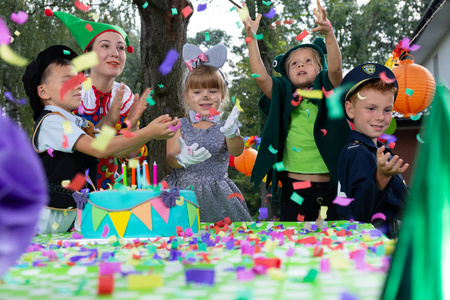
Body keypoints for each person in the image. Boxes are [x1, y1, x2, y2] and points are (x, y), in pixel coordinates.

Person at [23, 45, 179, 234]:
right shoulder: (51, 122)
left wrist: (130, 125)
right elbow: (100, 149)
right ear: (44, 92)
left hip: (70, 218)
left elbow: (115, 149)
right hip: (45, 221)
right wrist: (148, 133)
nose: (79, 84)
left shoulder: (74, 122)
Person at [240, 1, 349, 221]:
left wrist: (328, 32)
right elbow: (261, 77)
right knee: (295, 241)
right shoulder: (283, 92)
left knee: (333, 240)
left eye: (308, 61)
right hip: (295, 188)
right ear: (287, 74)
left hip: (329, 187)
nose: (301, 65)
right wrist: (251, 39)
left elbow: (336, 69)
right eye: (294, 64)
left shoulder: (328, 88)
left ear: (320, 69)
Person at [47, 10, 148, 189]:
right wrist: (109, 120)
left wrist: (133, 129)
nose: (115, 53)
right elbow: (88, 151)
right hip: (71, 195)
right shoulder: (73, 92)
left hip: (111, 195)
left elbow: (131, 160)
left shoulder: (125, 96)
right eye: (105, 46)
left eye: (121, 47)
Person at [164, 43, 252, 223]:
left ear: (222, 95)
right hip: (182, 195)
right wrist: (181, 159)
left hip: (219, 196)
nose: (205, 96)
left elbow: (237, 151)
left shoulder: (227, 125)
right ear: (187, 97)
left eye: (212, 91)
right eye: (197, 92)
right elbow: (170, 156)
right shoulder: (177, 124)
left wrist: (231, 133)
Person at [337, 63, 409, 238]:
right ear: (350, 109)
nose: (380, 117)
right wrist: (381, 177)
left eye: (387, 110)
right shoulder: (357, 152)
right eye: (371, 108)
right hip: (375, 246)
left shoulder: (376, 149)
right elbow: (361, 212)